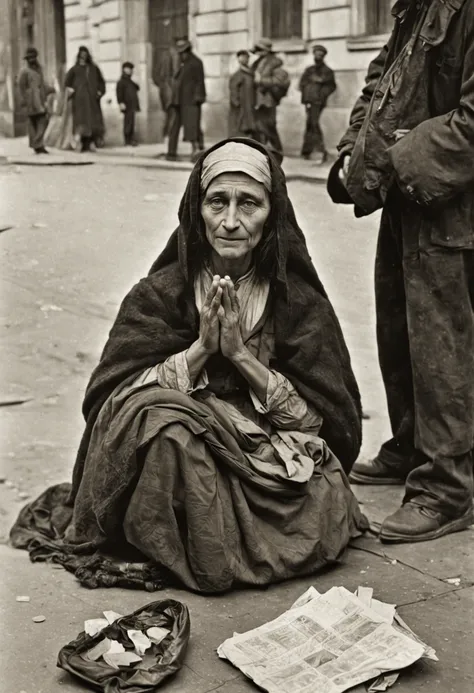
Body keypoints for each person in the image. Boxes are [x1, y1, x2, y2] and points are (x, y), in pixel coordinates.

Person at [11, 138, 365, 594]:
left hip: (269, 471)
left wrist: (239, 355)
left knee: (316, 494)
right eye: (217, 202)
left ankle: (212, 546)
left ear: (272, 215)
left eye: (249, 204)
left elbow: (327, 424)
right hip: (187, 467)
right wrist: (199, 351)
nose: (231, 222)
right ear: (196, 212)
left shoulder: (298, 304)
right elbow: (110, 406)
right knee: (165, 429)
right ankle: (199, 544)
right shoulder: (159, 294)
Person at [327, 0, 474, 543]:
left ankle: (448, 487)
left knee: (444, 349)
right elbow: (378, 84)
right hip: (408, 201)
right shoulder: (416, 9)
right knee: (400, 332)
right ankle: (415, 445)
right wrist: (354, 149)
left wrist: (395, 156)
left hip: (454, 208)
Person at [166, 38, 206, 162]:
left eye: (182, 53)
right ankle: (171, 152)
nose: (180, 55)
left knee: (193, 128)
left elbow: (200, 82)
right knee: (175, 127)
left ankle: (197, 152)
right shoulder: (182, 63)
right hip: (179, 101)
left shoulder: (196, 63)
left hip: (191, 101)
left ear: (187, 51)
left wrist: (198, 98)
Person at [251, 38, 290, 163]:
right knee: (259, 129)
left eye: (259, 50)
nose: (257, 52)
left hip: (268, 101)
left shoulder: (275, 64)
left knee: (269, 128)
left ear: (266, 51)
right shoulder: (257, 63)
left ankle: (278, 153)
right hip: (256, 101)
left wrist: (261, 81)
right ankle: (263, 156)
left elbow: (280, 82)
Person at [299, 45, 336, 164]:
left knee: (313, 123)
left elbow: (331, 86)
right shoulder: (309, 70)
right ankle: (307, 151)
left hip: (318, 102)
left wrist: (321, 95)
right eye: (316, 54)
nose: (318, 56)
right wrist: (306, 97)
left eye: (320, 54)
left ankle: (321, 151)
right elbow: (302, 83)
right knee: (310, 124)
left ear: (323, 56)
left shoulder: (327, 71)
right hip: (309, 101)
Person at [65, 46, 106, 152]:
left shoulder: (93, 68)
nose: (83, 57)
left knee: (92, 123)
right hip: (80, 102)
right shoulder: (74, 69)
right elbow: (67, 83)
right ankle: (81, 144)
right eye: (81, 55)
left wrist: (100, 92)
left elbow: (101, 82)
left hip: (92, 101)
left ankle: (90, 143)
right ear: (78, 56)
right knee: (81, 123)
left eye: (85, 55)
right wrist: (71, 91)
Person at [18, 47, 55, 154]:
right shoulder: (24, 71)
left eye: (33, 57)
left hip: (40, 100)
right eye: (29, 58)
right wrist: (25, 99)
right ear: (27, 59)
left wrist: (50, 90)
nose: (32, 60)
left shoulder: (39, 69)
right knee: (32, 123)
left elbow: (42, 84)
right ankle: (38, 146)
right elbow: (21, 87)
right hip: (30, 101)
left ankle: (37, 143)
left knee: (43, 121)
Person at [228, 50, 256, 139]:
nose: (244, 59)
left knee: (250, 127)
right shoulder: (237, 74)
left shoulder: (251, 72)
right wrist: (236, 103)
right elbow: (233, 90)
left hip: (250, 104)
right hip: (241, 106)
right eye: (242, 57)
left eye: (246, 57)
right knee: (239, 128)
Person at [116, 62, 140, 147]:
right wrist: (121, 103)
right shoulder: (121, 81)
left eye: (131, 69)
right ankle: (127, 140)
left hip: (132, 105)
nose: (130, 71)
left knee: (131, 122)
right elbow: (119, 93)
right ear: (124, 69)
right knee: (128, 123)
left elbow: (137, 87)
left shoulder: (129, 81)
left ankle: (131, 139)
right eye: (128, 69)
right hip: (127, 105)